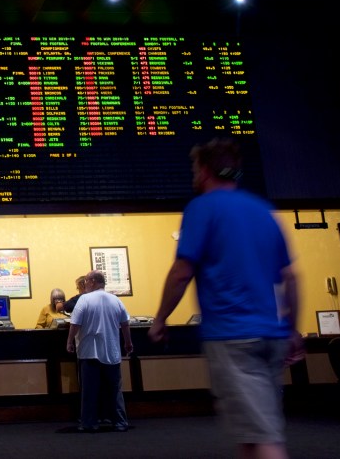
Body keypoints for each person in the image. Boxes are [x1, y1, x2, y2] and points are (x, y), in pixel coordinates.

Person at [147, 138, 302, 459]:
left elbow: (181, 271)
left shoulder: (202, 208)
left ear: (204, 170)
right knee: (251, 433)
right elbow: (291, 277)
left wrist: (161, 318)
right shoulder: (263, 210)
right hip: (270, 336)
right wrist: (291, 329)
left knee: (264, 438)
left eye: (194, 168)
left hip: (233, 338)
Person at [66, 270, 132, 432]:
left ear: (93, 281)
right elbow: (125, 323)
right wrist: (128, 343)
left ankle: (89, 423)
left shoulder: (84, 300)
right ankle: (120, 422)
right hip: (112, 350)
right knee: (115, 389)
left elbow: (75, 324)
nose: (84, 284)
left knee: (89, 390)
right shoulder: (116, 300)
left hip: (89, 352)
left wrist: (69, 341)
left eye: (86, 281)